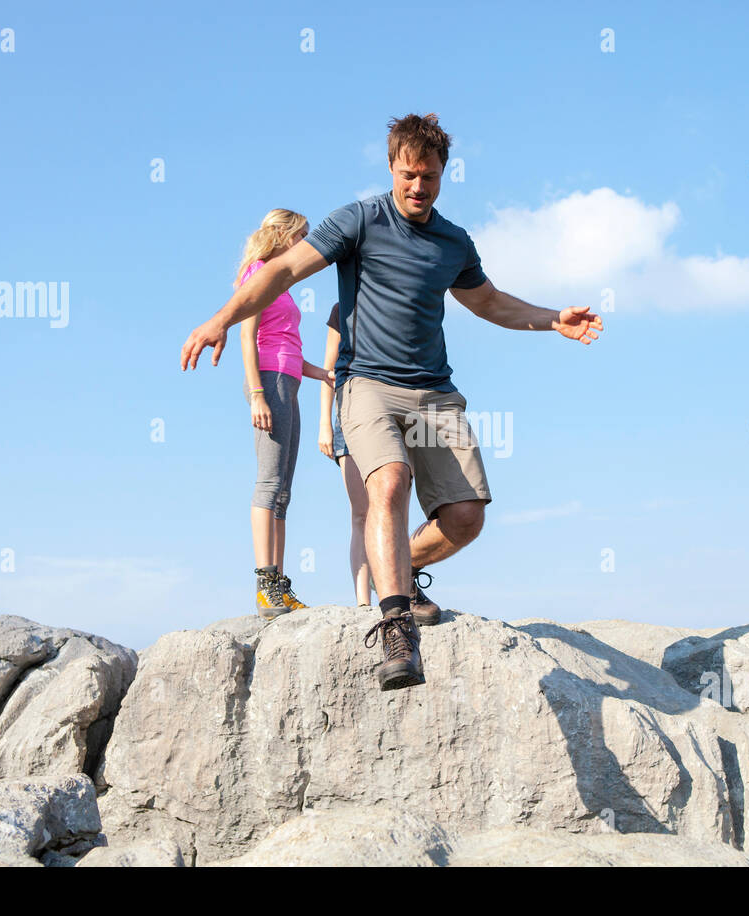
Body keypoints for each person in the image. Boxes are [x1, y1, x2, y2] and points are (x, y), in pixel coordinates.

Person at [181, 114, 602, 691]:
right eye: (408, 175)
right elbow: (281, 270)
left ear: (443, 176)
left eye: (429, 177)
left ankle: (401, 566)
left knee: (465, 516)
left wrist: (553, 320)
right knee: (389, 480)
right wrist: (221, 319)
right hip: (367, 383)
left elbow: (492, 304)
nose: (418, 187)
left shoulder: (454, 242)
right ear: (390, 168)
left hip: (433, 391)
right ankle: (397, 624)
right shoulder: (358, 221)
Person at [232, 209, 335, 619]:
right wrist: (257, 393)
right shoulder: (258, 271)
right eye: (302, 235)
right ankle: (264, 585)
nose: (305, 243)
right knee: (269, 482)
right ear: (282, 234)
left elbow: (289, 346)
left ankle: (279, 584)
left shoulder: (282, 279)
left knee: (284, 492)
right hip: (269, 383)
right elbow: (246, 333)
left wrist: (323, 374)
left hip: (287, 382)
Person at [318, 303, 373, 607]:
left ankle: (398, 593)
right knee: (361, 514)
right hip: (349, 416)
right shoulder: (342, 309)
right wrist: (324, 424)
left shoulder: (397, 298)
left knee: (393, 510)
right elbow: (329, 367)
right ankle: (363, 602)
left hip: (395, 417)